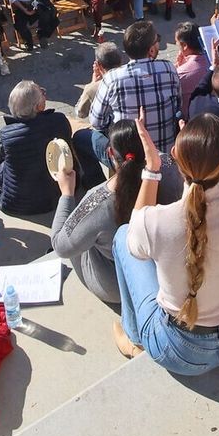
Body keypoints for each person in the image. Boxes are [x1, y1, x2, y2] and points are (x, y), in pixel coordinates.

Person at [112, 114, 219, 374]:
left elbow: (133, 239)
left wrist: (152, 168)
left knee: (122, 234)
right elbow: (207, 204)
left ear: (176, 158)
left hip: (179, 352)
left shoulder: (155, 222)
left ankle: (133, 338)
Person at [52, 119, 150, 304]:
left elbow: (59, 244)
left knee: (78, 233)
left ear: (111, 154)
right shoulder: (166, 173)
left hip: (119, 288)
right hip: (153, 275)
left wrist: (66, 193)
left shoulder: (96, 200)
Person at [87, 21, 183, 169]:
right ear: (151, 50)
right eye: (157, 41)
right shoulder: (168, 68)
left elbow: (96, 122)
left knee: (85, 136)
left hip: (129, 160)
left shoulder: (112, 78)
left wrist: (115, 123)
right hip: (164, 156)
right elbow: (178, 103)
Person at [0, 81, 73, 216]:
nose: (44, 95)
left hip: (16, 204)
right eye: (42, 93)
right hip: (58, 194)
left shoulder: (6, 134)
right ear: (37, 107)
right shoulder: (59, 120)